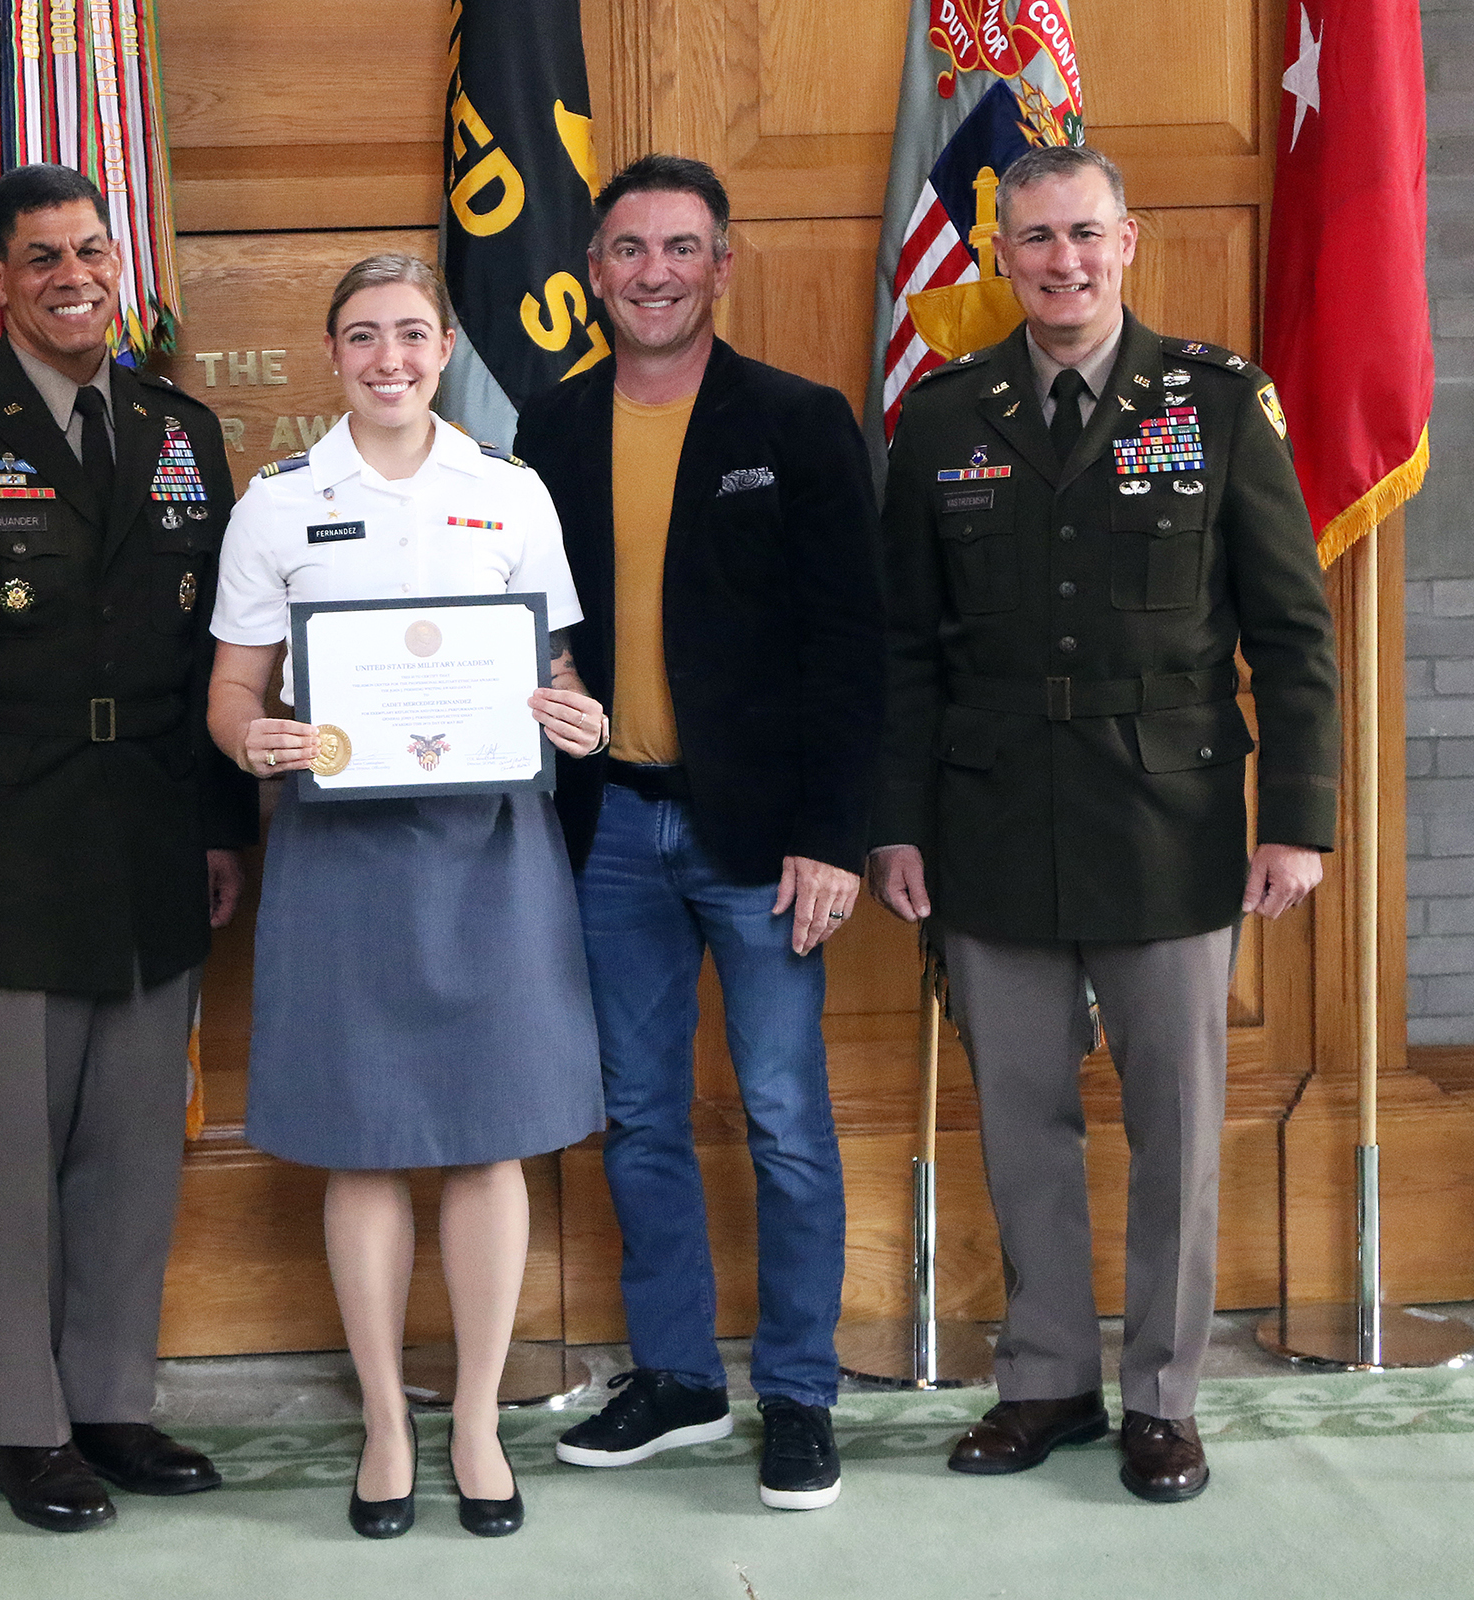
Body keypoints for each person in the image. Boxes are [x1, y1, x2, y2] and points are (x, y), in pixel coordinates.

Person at [868, 144, 1339, 1503]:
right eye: (1034, 238)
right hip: (991, 816)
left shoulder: (1216, 400)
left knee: (1176, 1129)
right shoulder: (943, 416)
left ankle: (1164, 1398)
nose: (1061, 260)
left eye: (1084, 233)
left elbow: (1292, 633)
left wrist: (1297, 818)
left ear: (1128, 240)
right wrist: (896, 824)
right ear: (1000, 254)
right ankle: (1046, 1381)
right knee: (1022, 1120)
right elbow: (905, 651)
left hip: (1168, 818)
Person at [0, 163, 257, 1534]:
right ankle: (28, 1425)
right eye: (42, 258)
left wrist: (221, 825)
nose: (74, 277)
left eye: (91, 250)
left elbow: (217, 656)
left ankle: (115, 1403)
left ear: (119, 261)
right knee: (14, 1160)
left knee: (135, 1150)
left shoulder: (181, 430)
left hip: (153, 839)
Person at [207, 254, 607, 1541]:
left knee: (494, 1135)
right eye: (365, 336)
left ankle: (477, 1419)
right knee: (363, 1136)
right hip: (343, 855)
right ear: (333, 354)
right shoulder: (279, 503)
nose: (390, 358)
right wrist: (252, 738)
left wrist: (579, 715)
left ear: (444, 350)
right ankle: (386, 1421)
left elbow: (554, 668)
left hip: (491, 847)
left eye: (413, 334)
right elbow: (232, 691)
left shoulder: (510, 490)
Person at [511, 154, 882, 1513]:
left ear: (723, 264)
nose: (654, 273)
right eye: (628, 250)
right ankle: (676, 1378)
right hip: (608, 829)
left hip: (767, 843)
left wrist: (834, 836)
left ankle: (799, 1393)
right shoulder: (549, 427)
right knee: (638, 1118)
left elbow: (853, 646)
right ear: (593, 272)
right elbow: (528, 619)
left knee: (785, 1119)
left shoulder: (800, 421)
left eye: (680, 248)